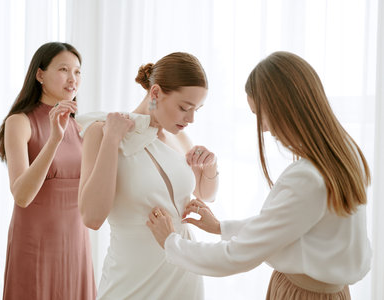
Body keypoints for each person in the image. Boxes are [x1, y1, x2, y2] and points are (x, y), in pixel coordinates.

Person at [147, 51, 372, 299]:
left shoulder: (307, 178)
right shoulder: (344, 151)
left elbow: (234, 257)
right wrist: (222, 227)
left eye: (259, 115)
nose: (263, 128)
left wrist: (171, 242)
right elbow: (292, 223)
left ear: (284, 108)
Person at [76, 52, 219, 299]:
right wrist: (112, 140)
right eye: (185, 108)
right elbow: (92, 217)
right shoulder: (102, 131)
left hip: (184, 274)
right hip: (133, 280)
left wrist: (210, 168)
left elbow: (204, 195)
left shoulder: (179, 136)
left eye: (197, 109)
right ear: (155, 94)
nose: (192, 119)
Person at [0, 42, 96, 300]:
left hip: (76, 244)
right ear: (40, 75)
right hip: (35, 245)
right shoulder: (20, 121)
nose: (72, 79)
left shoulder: (80, 126)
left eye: (77, 71)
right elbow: (22, 195)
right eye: (64, 69)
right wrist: (54, 139)